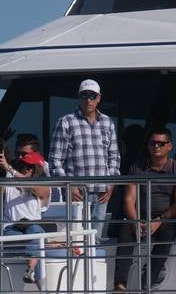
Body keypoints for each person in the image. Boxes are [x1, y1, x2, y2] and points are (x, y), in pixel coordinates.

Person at [107, 128, 176, 294]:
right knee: (124, 230)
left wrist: (159, 220)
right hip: (140, 216)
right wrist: (135, 221)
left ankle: (146, 283)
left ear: (170, 146)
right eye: (153, 143)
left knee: (168, 232)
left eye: (161, 143)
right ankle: (120, 286)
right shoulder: (137, 168)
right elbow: (129, 199)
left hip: (168, 218)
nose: (156, 146)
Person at [47, 78, 121, 247]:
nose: (88, 100)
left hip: (102, 193)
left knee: (95, 240)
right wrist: (69, 185)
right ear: (78, 98)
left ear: (99, 98)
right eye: (84, 96)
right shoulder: (65, 122)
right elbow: (55, 161)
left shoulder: (108, 123)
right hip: (77, 192)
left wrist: (110, 185)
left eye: (92, 96)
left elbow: (114, 158)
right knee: (76, 240)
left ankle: (93, 274)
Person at [0, 136, 50, 286]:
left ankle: (30, 270)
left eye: (29, 166)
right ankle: (44, 293)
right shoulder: (8, 180)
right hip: (10, 229)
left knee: (36, 233)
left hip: (30, 227)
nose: (25, 168)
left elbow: (35, 189)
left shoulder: (42, 186)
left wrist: (10, 169)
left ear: (37, 169)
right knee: (38, 240)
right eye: (23, 165)